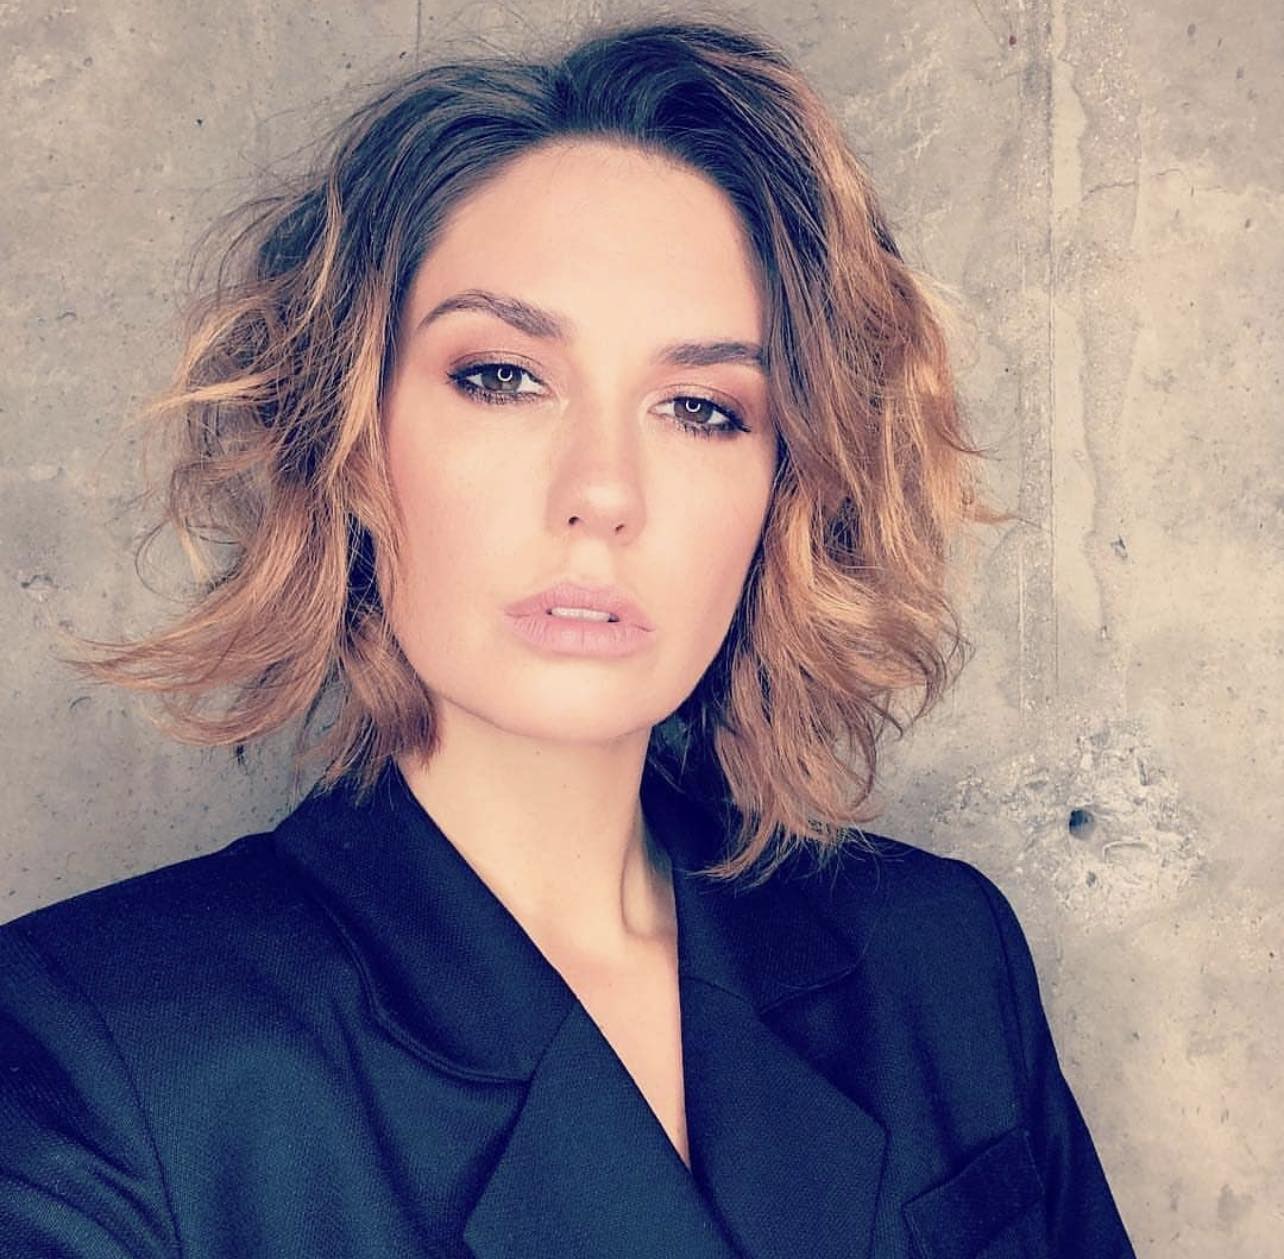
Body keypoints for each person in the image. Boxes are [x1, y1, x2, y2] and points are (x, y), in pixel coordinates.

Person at [0, 13, 1136, 1258]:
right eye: (502, 376)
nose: (604, 490)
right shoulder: (101, 1053)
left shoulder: (939, 960)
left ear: (784, 488)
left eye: (701, 407)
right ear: (354, 442)